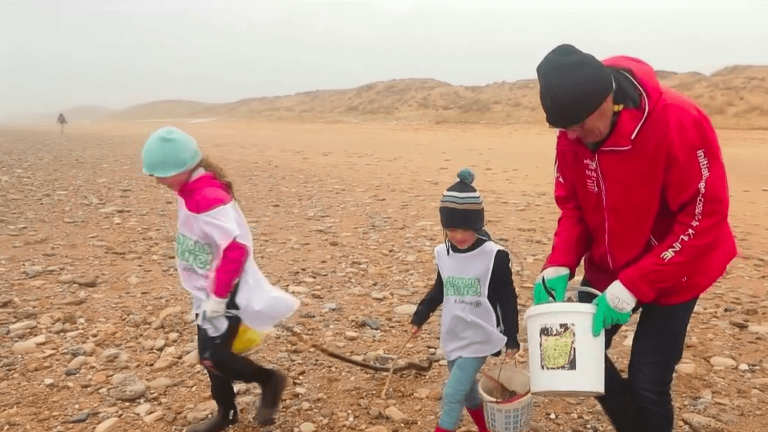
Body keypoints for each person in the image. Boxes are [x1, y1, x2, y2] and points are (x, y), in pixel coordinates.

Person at [532, 44, 737, 432]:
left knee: (647, 381)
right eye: (563, 129)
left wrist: (635, 285)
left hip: (677, 267)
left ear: (606, 100)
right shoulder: (572, 130)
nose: (572, 137)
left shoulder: (678, 120)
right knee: (579, 355)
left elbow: (703, 219)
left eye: (577, 125)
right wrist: (559, 262)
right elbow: (574, 206)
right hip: (611, 263)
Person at [141, 126, 301, 432]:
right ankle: (226, 415)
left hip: (224, 290)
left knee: (216, 358)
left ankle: (269, 380)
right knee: (208, 357)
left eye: (161, 173)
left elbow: (235, 249)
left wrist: (218, 297)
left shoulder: (206, 197)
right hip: (208, 291)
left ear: (184, 168)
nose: (157, 181)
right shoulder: (188, 191)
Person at [410, 168, 520, 432]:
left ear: (478, 224)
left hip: (480, 334)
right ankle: (488, 429)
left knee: (452, 395)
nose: (458, 236)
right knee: (469, 392)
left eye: (466, 229)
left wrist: (512, 336)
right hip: (454, 332)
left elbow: (507, 297)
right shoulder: (443, 252)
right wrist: (420, 315)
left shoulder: (495, 256)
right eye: (451, 229)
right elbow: (440, 288)